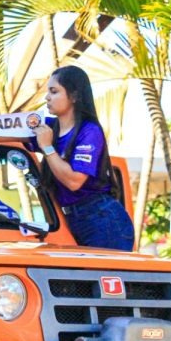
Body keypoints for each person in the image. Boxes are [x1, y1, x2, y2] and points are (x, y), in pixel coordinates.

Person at [26, 65, 134, 251]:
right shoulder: (50, 127)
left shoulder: (89, 131)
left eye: (54, 91)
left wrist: (47, 147)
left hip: (102, 220)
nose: (47, 98)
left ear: (74, 96)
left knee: (103, 278)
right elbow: (6, 131)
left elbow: (74, 181)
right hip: (69, 220)